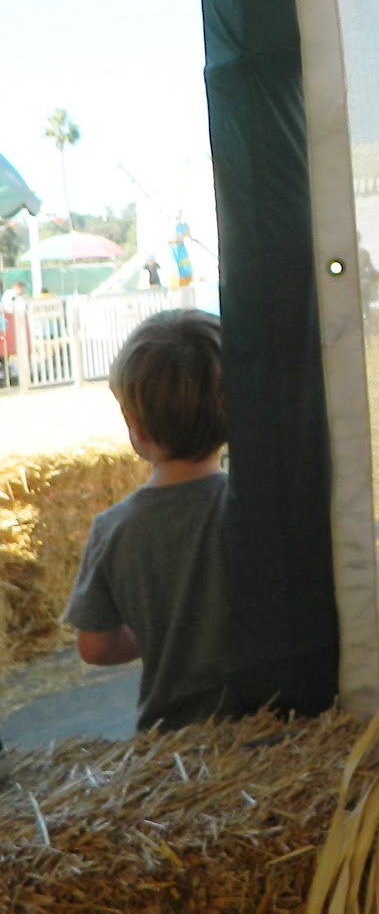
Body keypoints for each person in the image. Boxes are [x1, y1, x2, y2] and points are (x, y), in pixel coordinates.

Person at [63, 309, 238, 733]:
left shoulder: (113, 528)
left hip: (169, 737)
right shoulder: (254, 508)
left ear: (136, 427)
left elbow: (95, 646)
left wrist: (162, 632)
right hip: (265, 724)